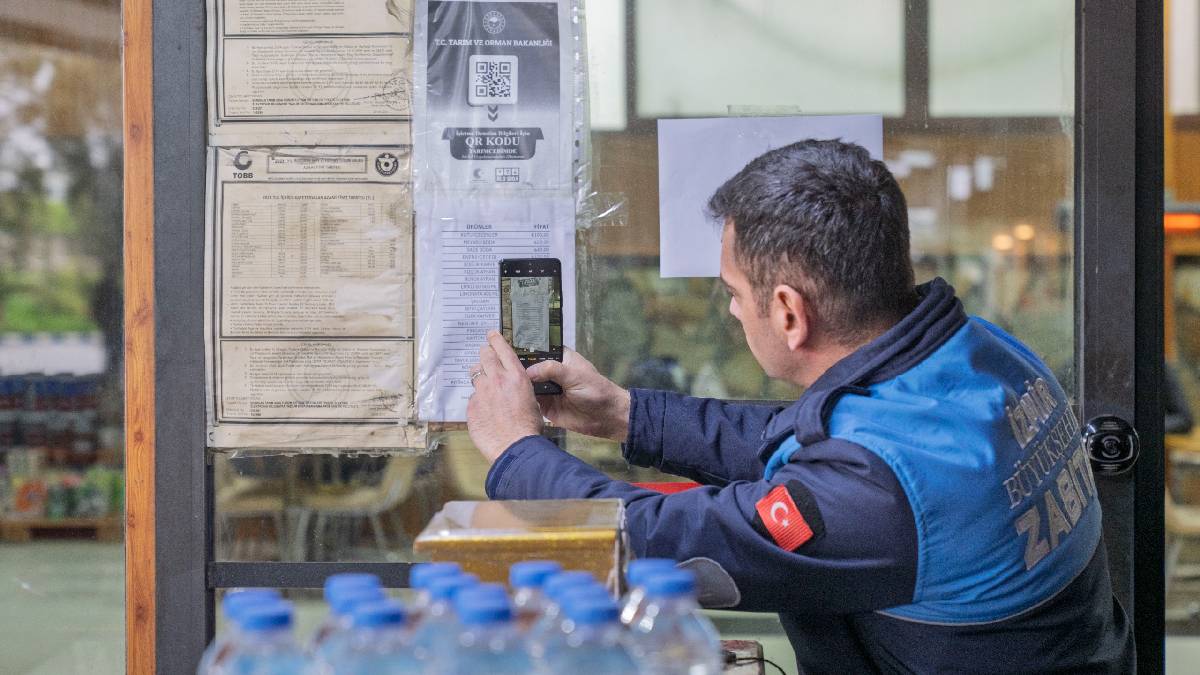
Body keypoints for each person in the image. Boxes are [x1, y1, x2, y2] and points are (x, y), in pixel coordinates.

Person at [464, 140, 1134, 673]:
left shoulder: (880, 491)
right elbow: (812, 438)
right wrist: (625, 413)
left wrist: (517, 453)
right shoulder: (979, 354)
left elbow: (665, 542)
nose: (729, 309)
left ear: (787, 310)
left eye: (731, 291)